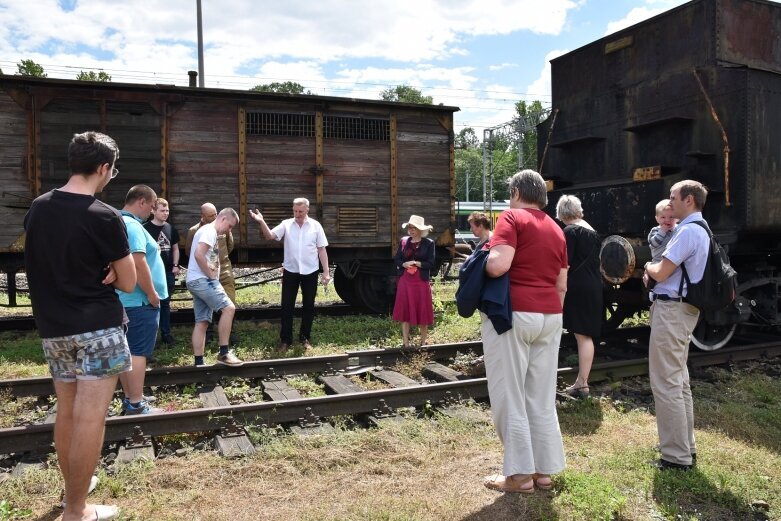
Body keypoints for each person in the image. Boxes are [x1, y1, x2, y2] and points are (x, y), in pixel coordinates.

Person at [24, 131, 135, 521]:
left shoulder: (38, 207)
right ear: (103, 168)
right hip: (98, 330)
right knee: (91, 418)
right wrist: (106, 270)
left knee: (67, 413)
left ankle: (74, 486)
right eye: (112, 171)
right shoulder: (104, 216)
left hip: (54, 328)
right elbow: (128, 282)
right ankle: (77, 510)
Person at [482, 169, 568, 493]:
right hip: (550, 315)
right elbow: (562, 284)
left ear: (517, 192)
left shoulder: (512, 218)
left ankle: (518, 477)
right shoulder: (558, 230)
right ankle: (543, 473)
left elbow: (498, 265)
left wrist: (486, 254)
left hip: (515, 315)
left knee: (511, 394)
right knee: (541, 396)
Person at [643, 180, 710, 471]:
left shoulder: (686, 232)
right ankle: (685, 446)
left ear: (690, 200)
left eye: (674, 198)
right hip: (683, 309)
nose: (670, 203)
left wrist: (646, 267)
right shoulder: (701, 229)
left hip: (672, 310)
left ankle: (675, 456)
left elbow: (660, 272)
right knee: (679, 381)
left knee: (666, 382)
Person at [249, 198, 330, 350]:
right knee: (287, 306)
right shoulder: (287, 224)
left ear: (307, 210)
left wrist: (326, 272)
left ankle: (305, 338)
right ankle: (286, 340)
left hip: (310, 271)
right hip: (290, 271)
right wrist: (261, 221)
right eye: (295, 211)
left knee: (308, 306)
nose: (297, 214)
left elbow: (321, 249)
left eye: (300, 211)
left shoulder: (315, 226)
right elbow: (270, 236)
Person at [115, 185, 167, 415]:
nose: (153, 210)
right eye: (152, 205)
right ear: (141, 202)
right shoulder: (134, 226)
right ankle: (136, 403)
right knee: (138, 352)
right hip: (139, 301)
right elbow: (138, 262)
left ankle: (131, 397)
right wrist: (151, 294)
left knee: (128, 353)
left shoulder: (119, 221)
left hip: (128, 300)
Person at [556, 195, 603, 398]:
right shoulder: (593, 232)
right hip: (593, 285)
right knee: (585, 336)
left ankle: (582, 384)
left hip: (576, 286)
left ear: (561, 213)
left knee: (581, 336)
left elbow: (565, 264)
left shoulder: (570, 232)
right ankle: (581, 381)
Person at [186, 208, 243, 366]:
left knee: (202, 322)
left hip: (196, 280)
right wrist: (210, 275)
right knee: (229, 308)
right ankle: (224, 353)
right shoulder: (210, 231)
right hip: (202, 280)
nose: (229, 230)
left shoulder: (209, 231)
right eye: (230, 226)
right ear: (223, 219)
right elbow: (198, 254)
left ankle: (199, 363)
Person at [392, 215, 436, 347]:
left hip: (421, 281)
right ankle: (405, 342)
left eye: (414, 228)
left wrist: (416, 263)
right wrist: (404, 264)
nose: (411, 230)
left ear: (420, 230)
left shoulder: (429, 243)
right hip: (405, 280)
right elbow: (397, 259)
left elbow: (430, 263)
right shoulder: (404, 241)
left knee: (422, 309)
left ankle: (423, 341)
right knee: (405, 310)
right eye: (409, 227)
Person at [143, 197, 181, 346]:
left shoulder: (170, 229)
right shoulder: (145, 228)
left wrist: (176, 265)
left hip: (167, 272)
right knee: (149, 304)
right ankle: (150, 337)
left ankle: (166, 334)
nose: (165, 213)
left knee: (165, 304)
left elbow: (176, 248)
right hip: (151, 273)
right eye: (162, 210)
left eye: (167, 210)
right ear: (153, 211)